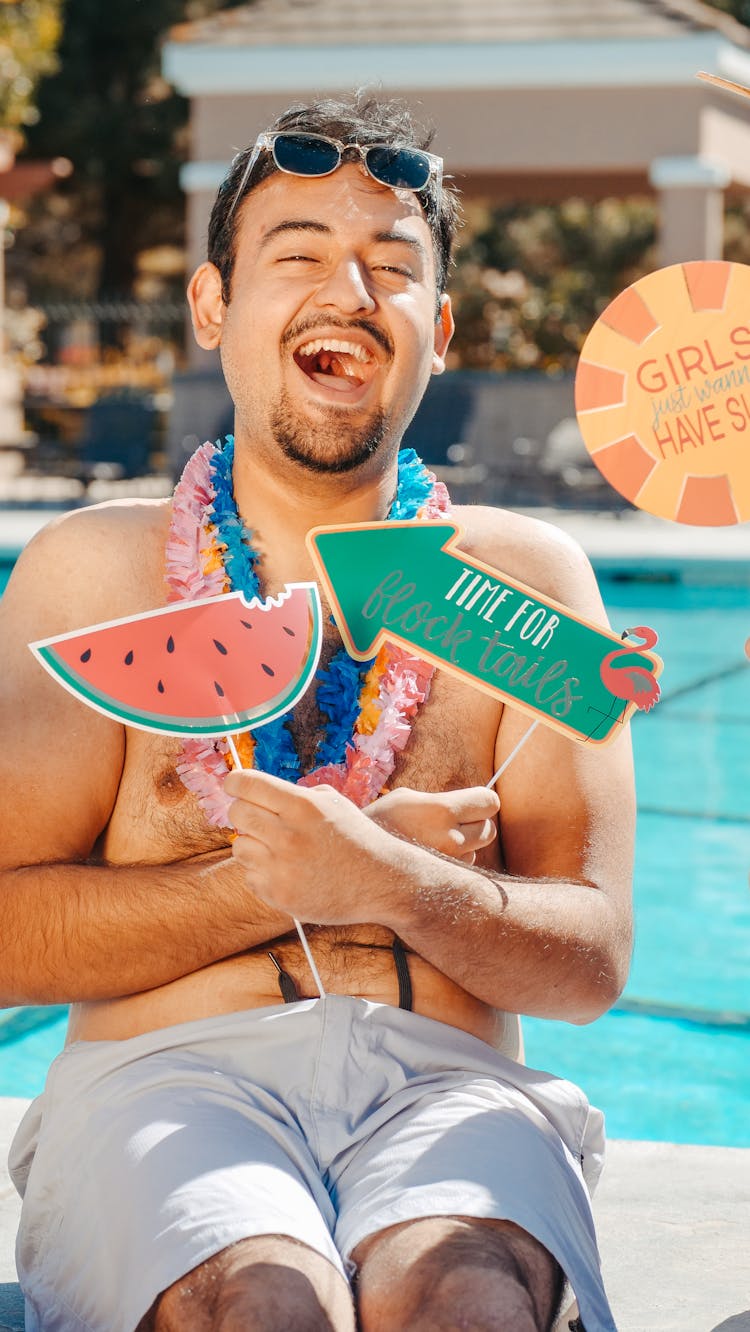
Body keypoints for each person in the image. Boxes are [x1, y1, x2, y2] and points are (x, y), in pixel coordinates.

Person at [1, 93, 635, 1332]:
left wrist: (398, 884)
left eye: (392, 269)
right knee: (266, 1303)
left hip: (451, 1093)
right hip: (162, 1082)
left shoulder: (524, 587)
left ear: (438, 330)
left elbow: (593, 962)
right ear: (212, 308)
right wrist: (280, 883)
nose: (347, 292)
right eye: (296, 255)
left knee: (468, 1300)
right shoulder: (88, 579)